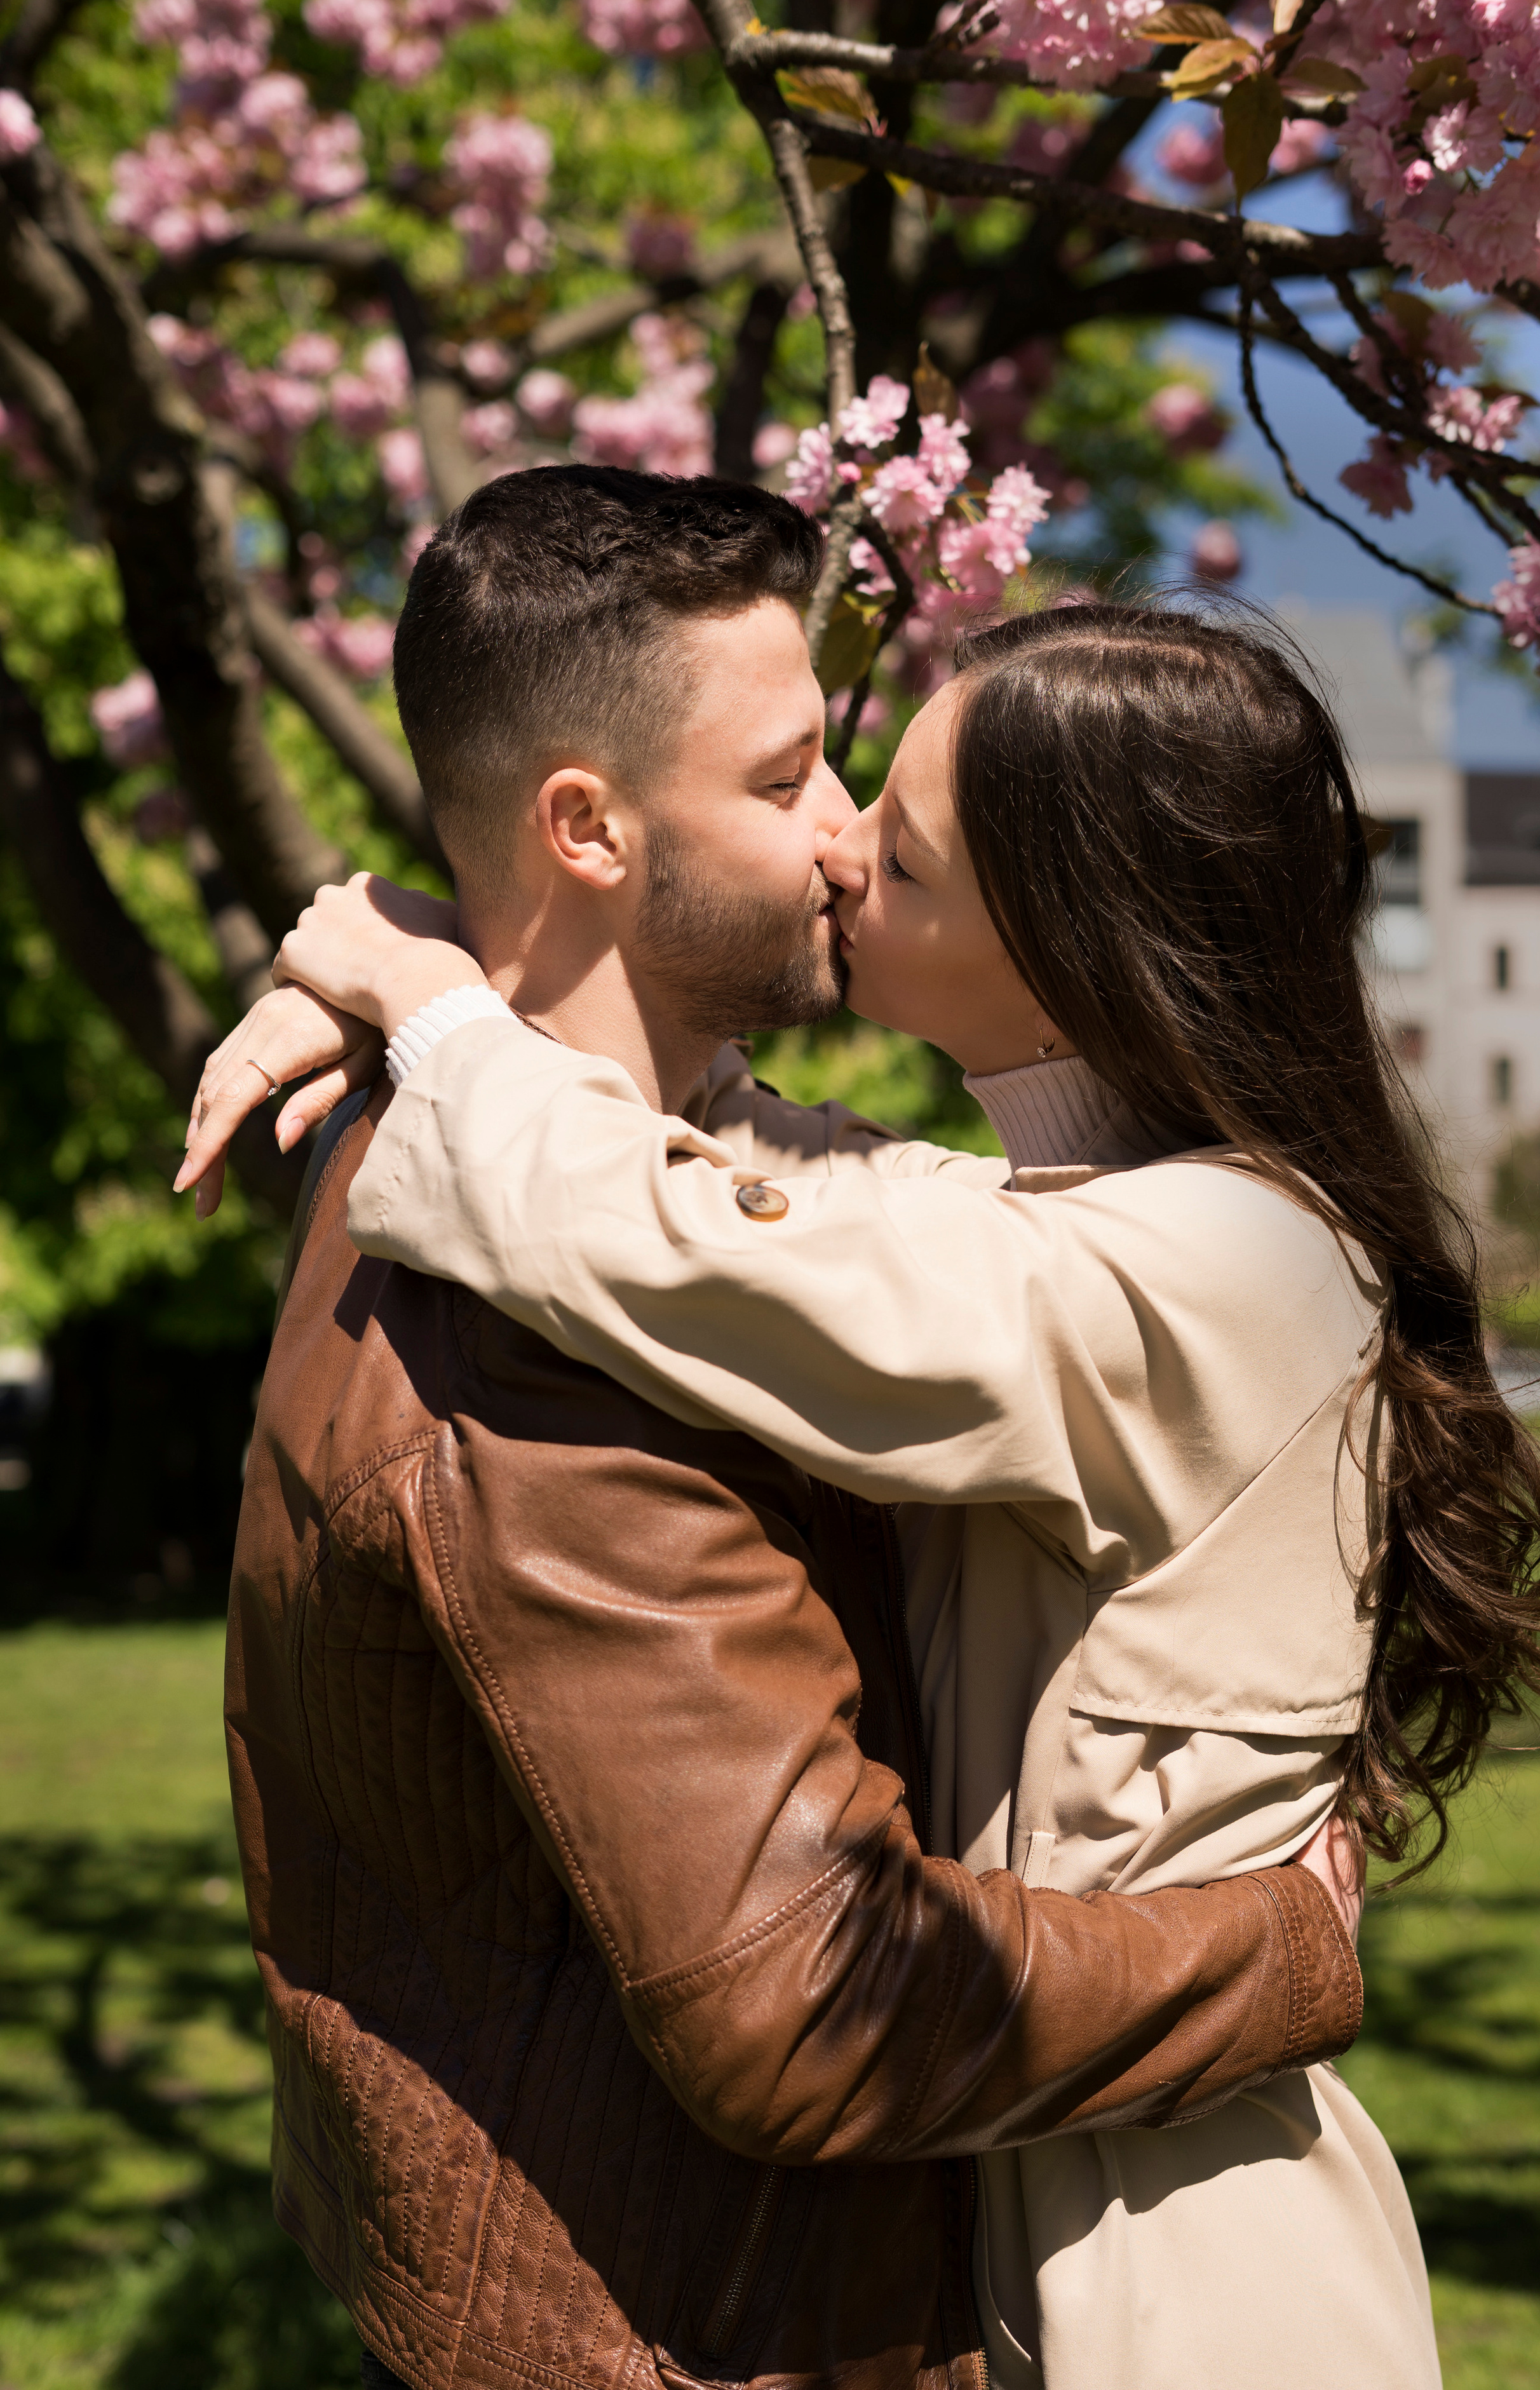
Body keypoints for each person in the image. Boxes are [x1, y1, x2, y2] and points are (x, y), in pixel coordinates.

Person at [202, 468, 1369, 2390]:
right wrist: (1289, 1948)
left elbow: (733, 1213)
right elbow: (808, 1997)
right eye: (790, 778)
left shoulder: (1136, 1258)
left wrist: (422, 977)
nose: (839, 838)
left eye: (879, 818)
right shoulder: (546, 1339)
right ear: (587, 826)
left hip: (1117, 2259)